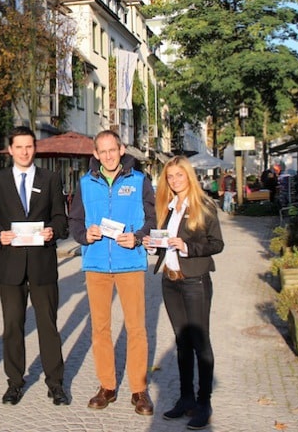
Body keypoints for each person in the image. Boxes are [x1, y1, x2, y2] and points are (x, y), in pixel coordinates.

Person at [68, 130, 156, 416]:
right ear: (95, 154)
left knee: (136, 328)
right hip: (96, 264)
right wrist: (85, 234)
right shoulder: (85, 183)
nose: (107, 156)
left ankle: (139, 389)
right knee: (101, 329)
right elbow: (75, 222)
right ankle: (107, 385)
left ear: (121, 150)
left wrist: (139, 237)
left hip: (129, 262)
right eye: (102, 151)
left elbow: (153, 219)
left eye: (112, 150)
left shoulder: (140, 181)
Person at [0, 126, 70, 406]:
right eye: (18, 147)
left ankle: (55, 383)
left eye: (29, 146)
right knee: (12, 326)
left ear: (35, 148)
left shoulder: (51, 178)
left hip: (43, 263)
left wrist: (52, 231)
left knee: (48, 325)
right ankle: (14, 383)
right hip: (11, 265)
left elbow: (61, 218)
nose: (24, 151)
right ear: (10, 150)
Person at [142, 155, 224, 430]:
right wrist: (153, 245)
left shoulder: (203, 205)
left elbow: (217, 243)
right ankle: (186, 398)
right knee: (181, 341)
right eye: (170, 176)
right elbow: (163, 243)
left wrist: (188, 247)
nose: (175, 180)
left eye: (179, 175)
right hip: (170, 281)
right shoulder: (168, 207)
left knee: (200, 341)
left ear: (189, 176)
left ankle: (204, 402)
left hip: (194, 281)